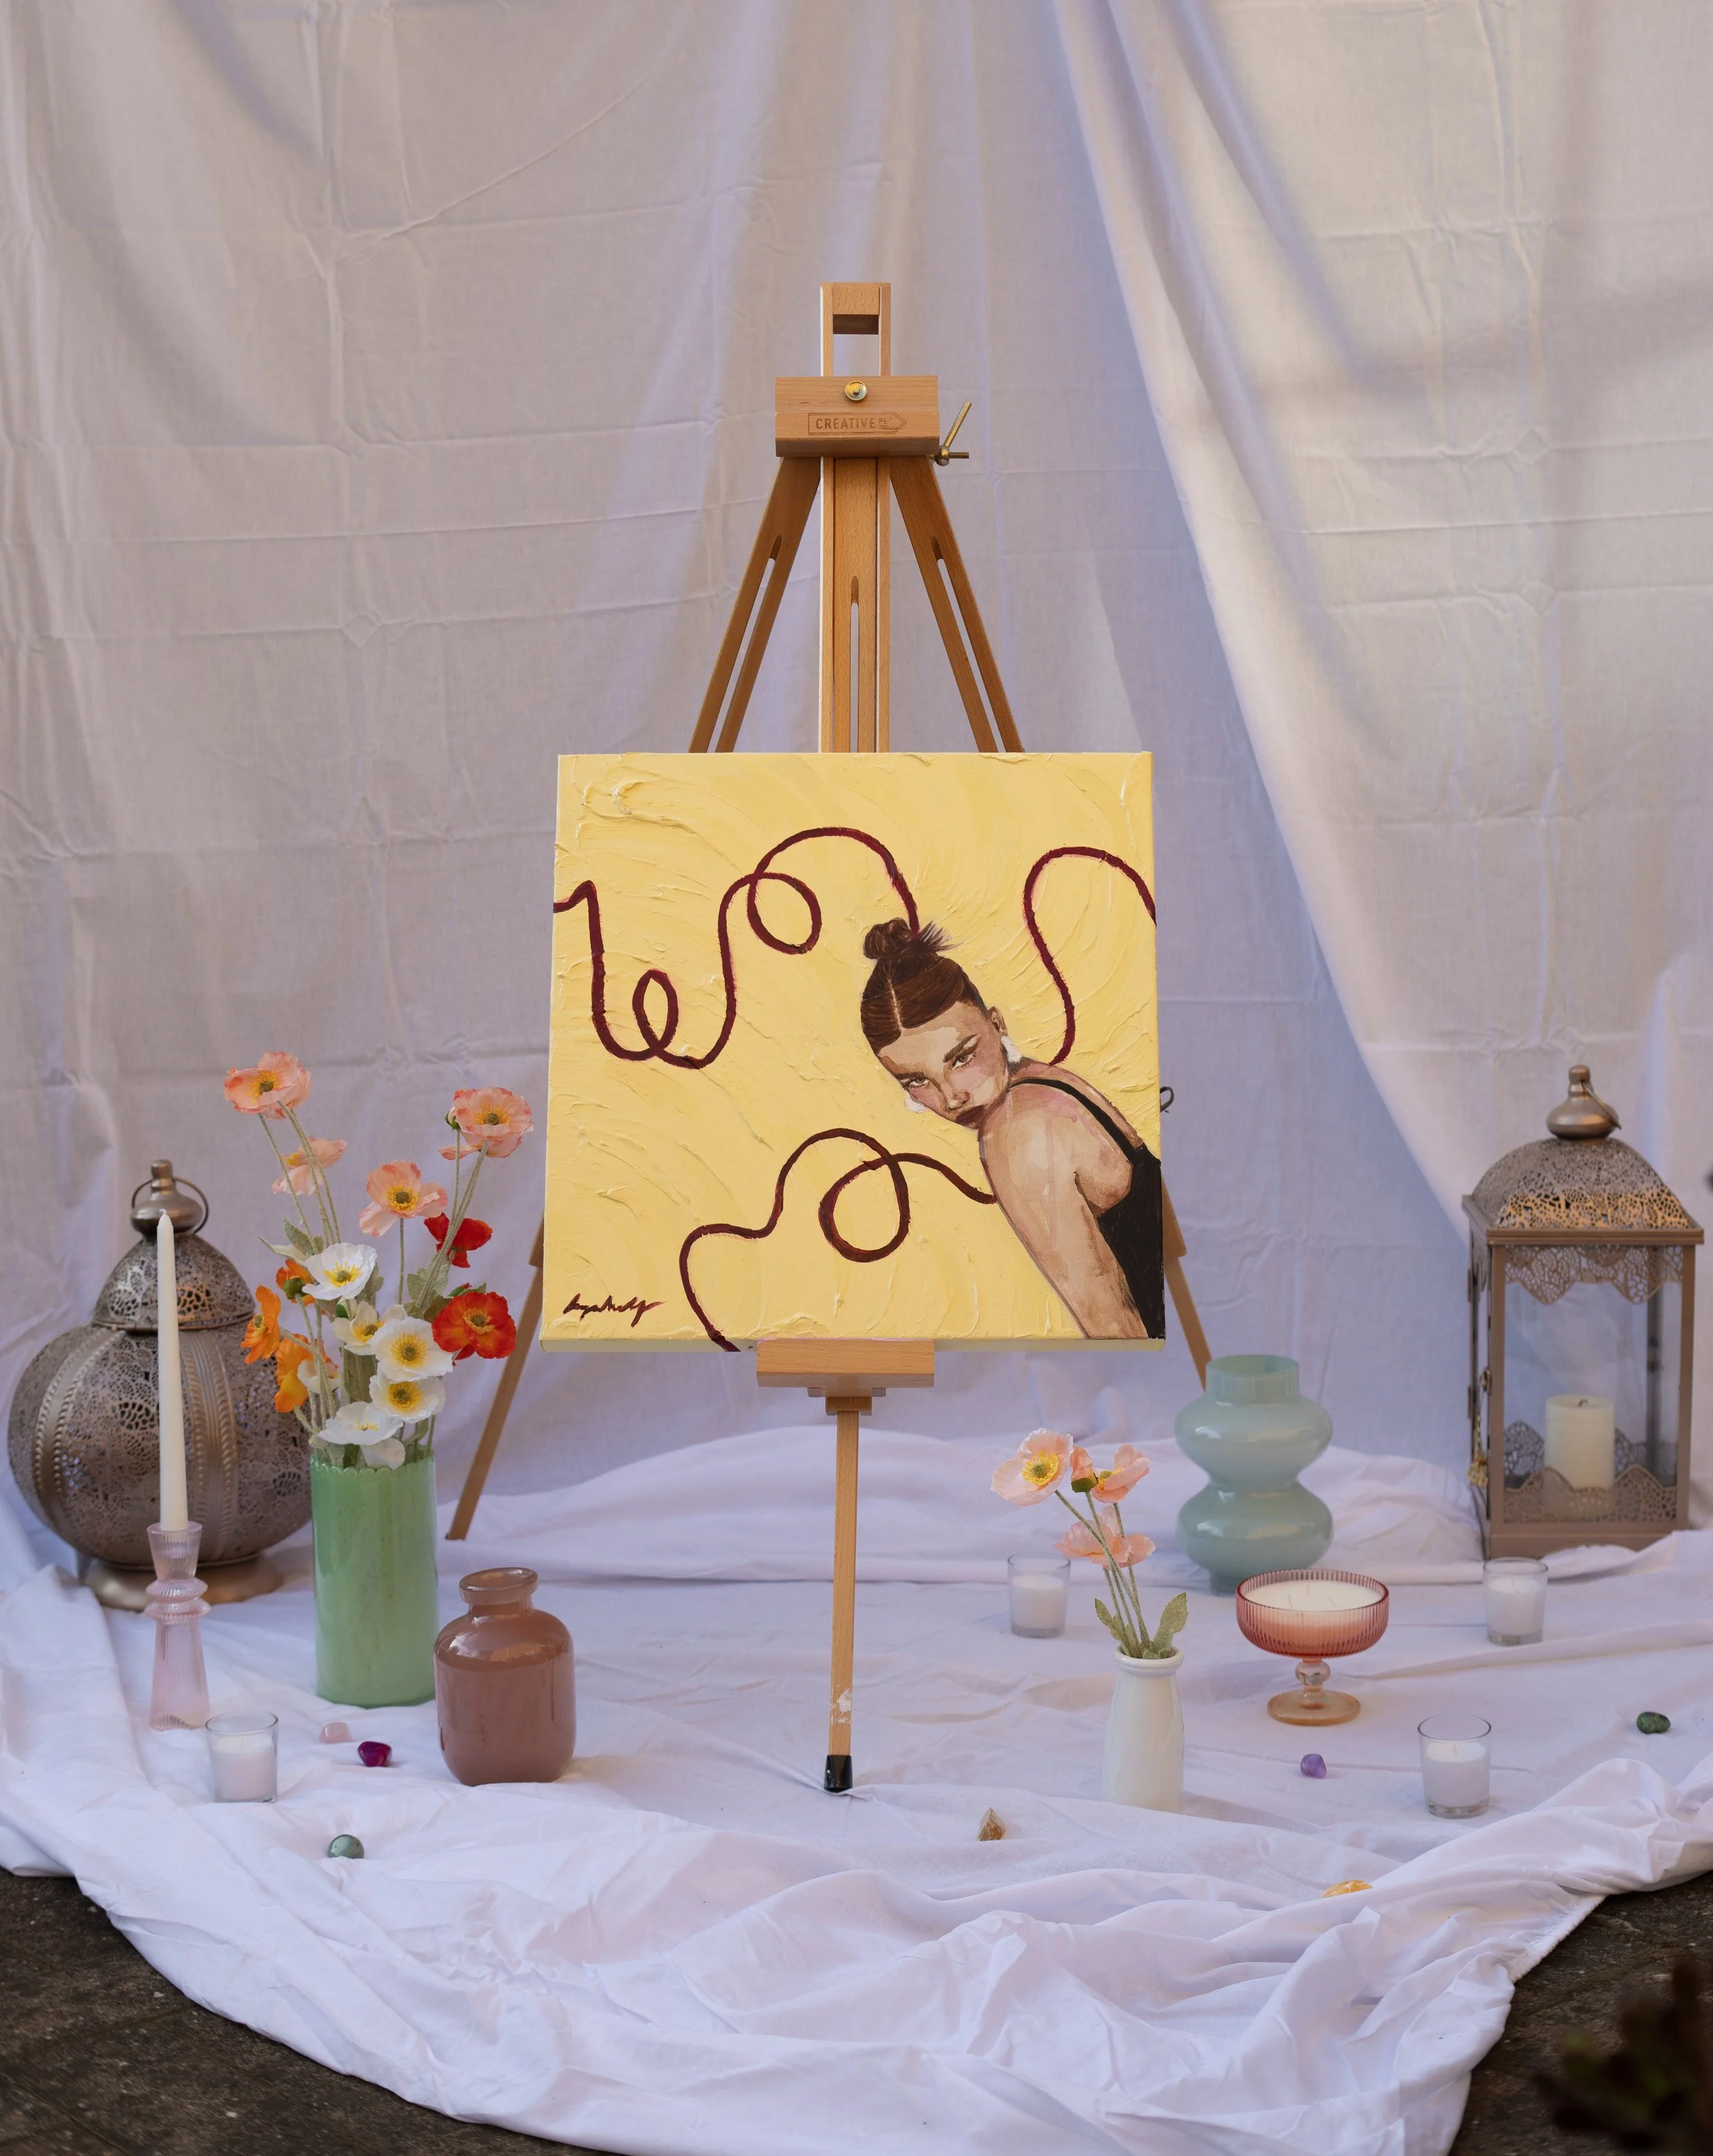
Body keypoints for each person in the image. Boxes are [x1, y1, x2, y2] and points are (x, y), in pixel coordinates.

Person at [859, 919, 1162, 1339]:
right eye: (916, 1081)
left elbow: (1117, 1331)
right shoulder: (1046, 1084)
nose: (950, 1098)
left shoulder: (1016, 1132)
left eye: (961, 1058)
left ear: (997, 1024)